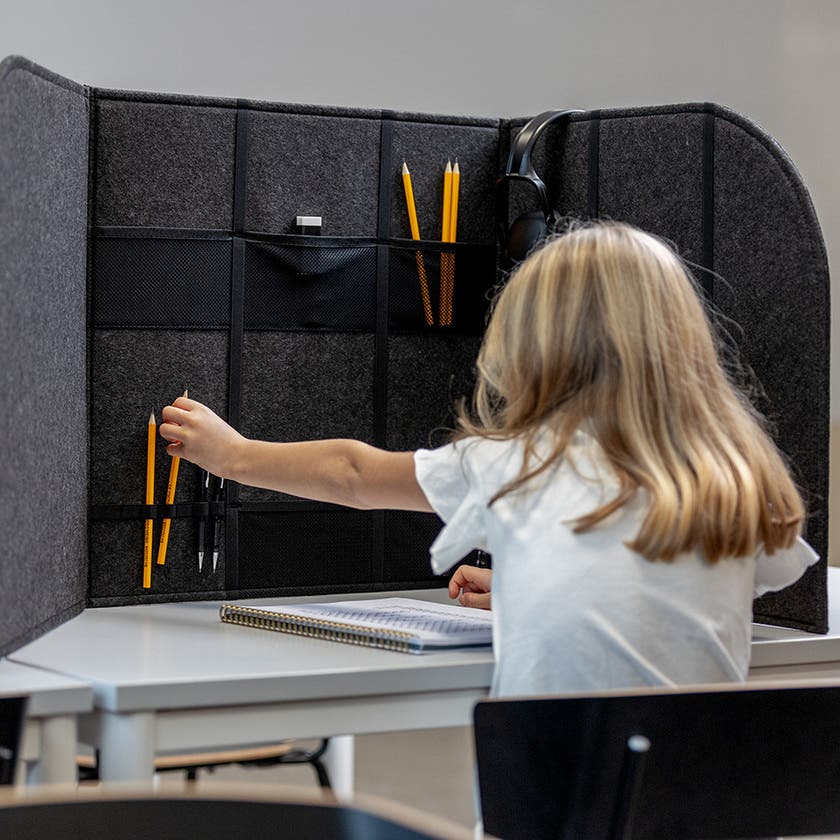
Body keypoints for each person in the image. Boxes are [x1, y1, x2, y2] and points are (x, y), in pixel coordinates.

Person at [160, 220, 817, 697]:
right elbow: (658, 599)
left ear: (535, 348)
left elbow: (355, 475)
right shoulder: (733, 483)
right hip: (704, 807)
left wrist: (234, 455)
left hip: (552, 807)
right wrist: (532, 586)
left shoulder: (519, 465)